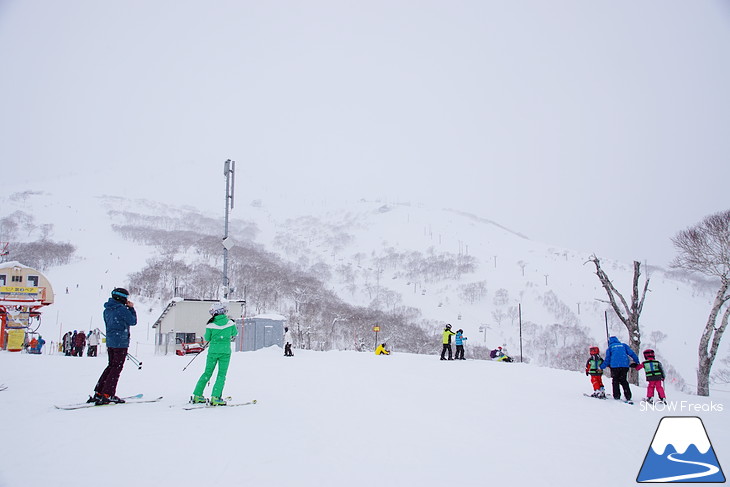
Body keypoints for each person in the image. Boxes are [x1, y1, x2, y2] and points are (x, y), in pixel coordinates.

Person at [88, 288, 137, 405]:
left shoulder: (107, 310)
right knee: (117, 368)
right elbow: (133, 321)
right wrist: (131, 308)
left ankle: (99, 391)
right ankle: (108, 393)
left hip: (111, 342)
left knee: (111, 366)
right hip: (121, 342)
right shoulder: (121, 309)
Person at [191, 302, 238, 406]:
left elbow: (207, 338)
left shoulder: (210, 324)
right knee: (221, 375)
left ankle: (197, 395)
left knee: (207, 373)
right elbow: (235, 333)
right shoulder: (230, 323)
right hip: (225, 352)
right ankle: (215, 397)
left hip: (212, 352)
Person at [599, 336, 640, 402]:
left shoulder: (610, 348)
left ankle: (617, 395)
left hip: (615, 366)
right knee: (623, 380)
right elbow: (632, 353)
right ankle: (628, 396)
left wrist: (601, 367)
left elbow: (607, 359)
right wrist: (637, 361)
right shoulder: (623, 345)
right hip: (624, 366)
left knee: (615, 380)